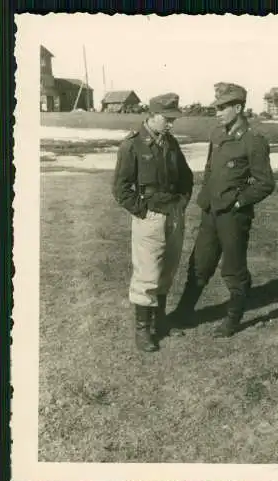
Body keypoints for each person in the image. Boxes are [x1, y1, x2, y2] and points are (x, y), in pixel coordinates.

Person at [171, 82, 275, 337]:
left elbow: (265, 183)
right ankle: (184, 312)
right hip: (211, 213)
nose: (217, 112)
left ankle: (233, 318)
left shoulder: (253, 142)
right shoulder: (217, 135)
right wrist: (206, 200)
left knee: (233, 267)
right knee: (199, 263)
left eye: (222, 108)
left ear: (238, 108)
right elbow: (209, 169)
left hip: (233, 216)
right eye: (216, 107)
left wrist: (238, 202)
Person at [112, 93, 193, 352]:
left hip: (174, 216)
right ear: (151, 115)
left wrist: (182, 202)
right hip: (150, 217)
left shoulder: (171, 143)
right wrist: (142, 210)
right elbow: (121, 188)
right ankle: (143, 330)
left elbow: (186, 177)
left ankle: (161, 323)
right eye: (167, 119)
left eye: (173, 119)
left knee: (168, 271)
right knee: (147, 274)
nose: (171, 124)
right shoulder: (132, 145)